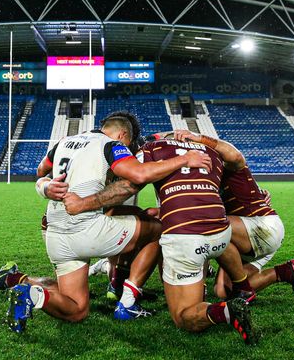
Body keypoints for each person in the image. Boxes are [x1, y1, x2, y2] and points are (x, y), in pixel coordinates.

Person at [2, 112, 211, 332]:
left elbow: (41, 172)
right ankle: (128, 300)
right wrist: (184, 159)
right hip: (85, 230)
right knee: (158, 229)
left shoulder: (64, 141)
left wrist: (45, 187)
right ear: (123, 135)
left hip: (56, 235)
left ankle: (32, 294)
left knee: (77, 310)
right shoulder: (111, 144)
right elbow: (138, 174)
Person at [63, 134, 259, 344]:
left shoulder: (152, 148)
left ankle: (227, 311)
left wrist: (84, 203)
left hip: (186, 237)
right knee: (208, 243)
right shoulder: (208, 150)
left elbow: (129, 185)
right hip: (221, 232)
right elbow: (228, 170)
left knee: (183, 316)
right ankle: (241, 285)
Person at [172, 130, 294, 301]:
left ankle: (234, 288)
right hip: (241, 237)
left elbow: (236, 156)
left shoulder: (227, 165)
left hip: (262, 227)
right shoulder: (199, 180)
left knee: (206, 224)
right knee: (224, 291)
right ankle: (287, 272)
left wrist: (199, 138)